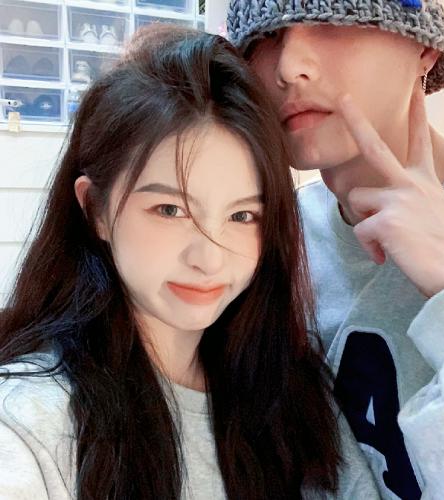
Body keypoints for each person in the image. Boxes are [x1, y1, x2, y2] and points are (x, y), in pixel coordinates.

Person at [0, 25, 380, 500]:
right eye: (170, 210)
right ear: (95, 208)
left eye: (242, 216)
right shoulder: (31, 422)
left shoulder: (292, 392)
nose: (209, 258)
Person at [226, 1, 444, 499]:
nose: (289, 67)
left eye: (333, 19)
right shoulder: (269, 237)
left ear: (424, 48)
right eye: (265, 38)